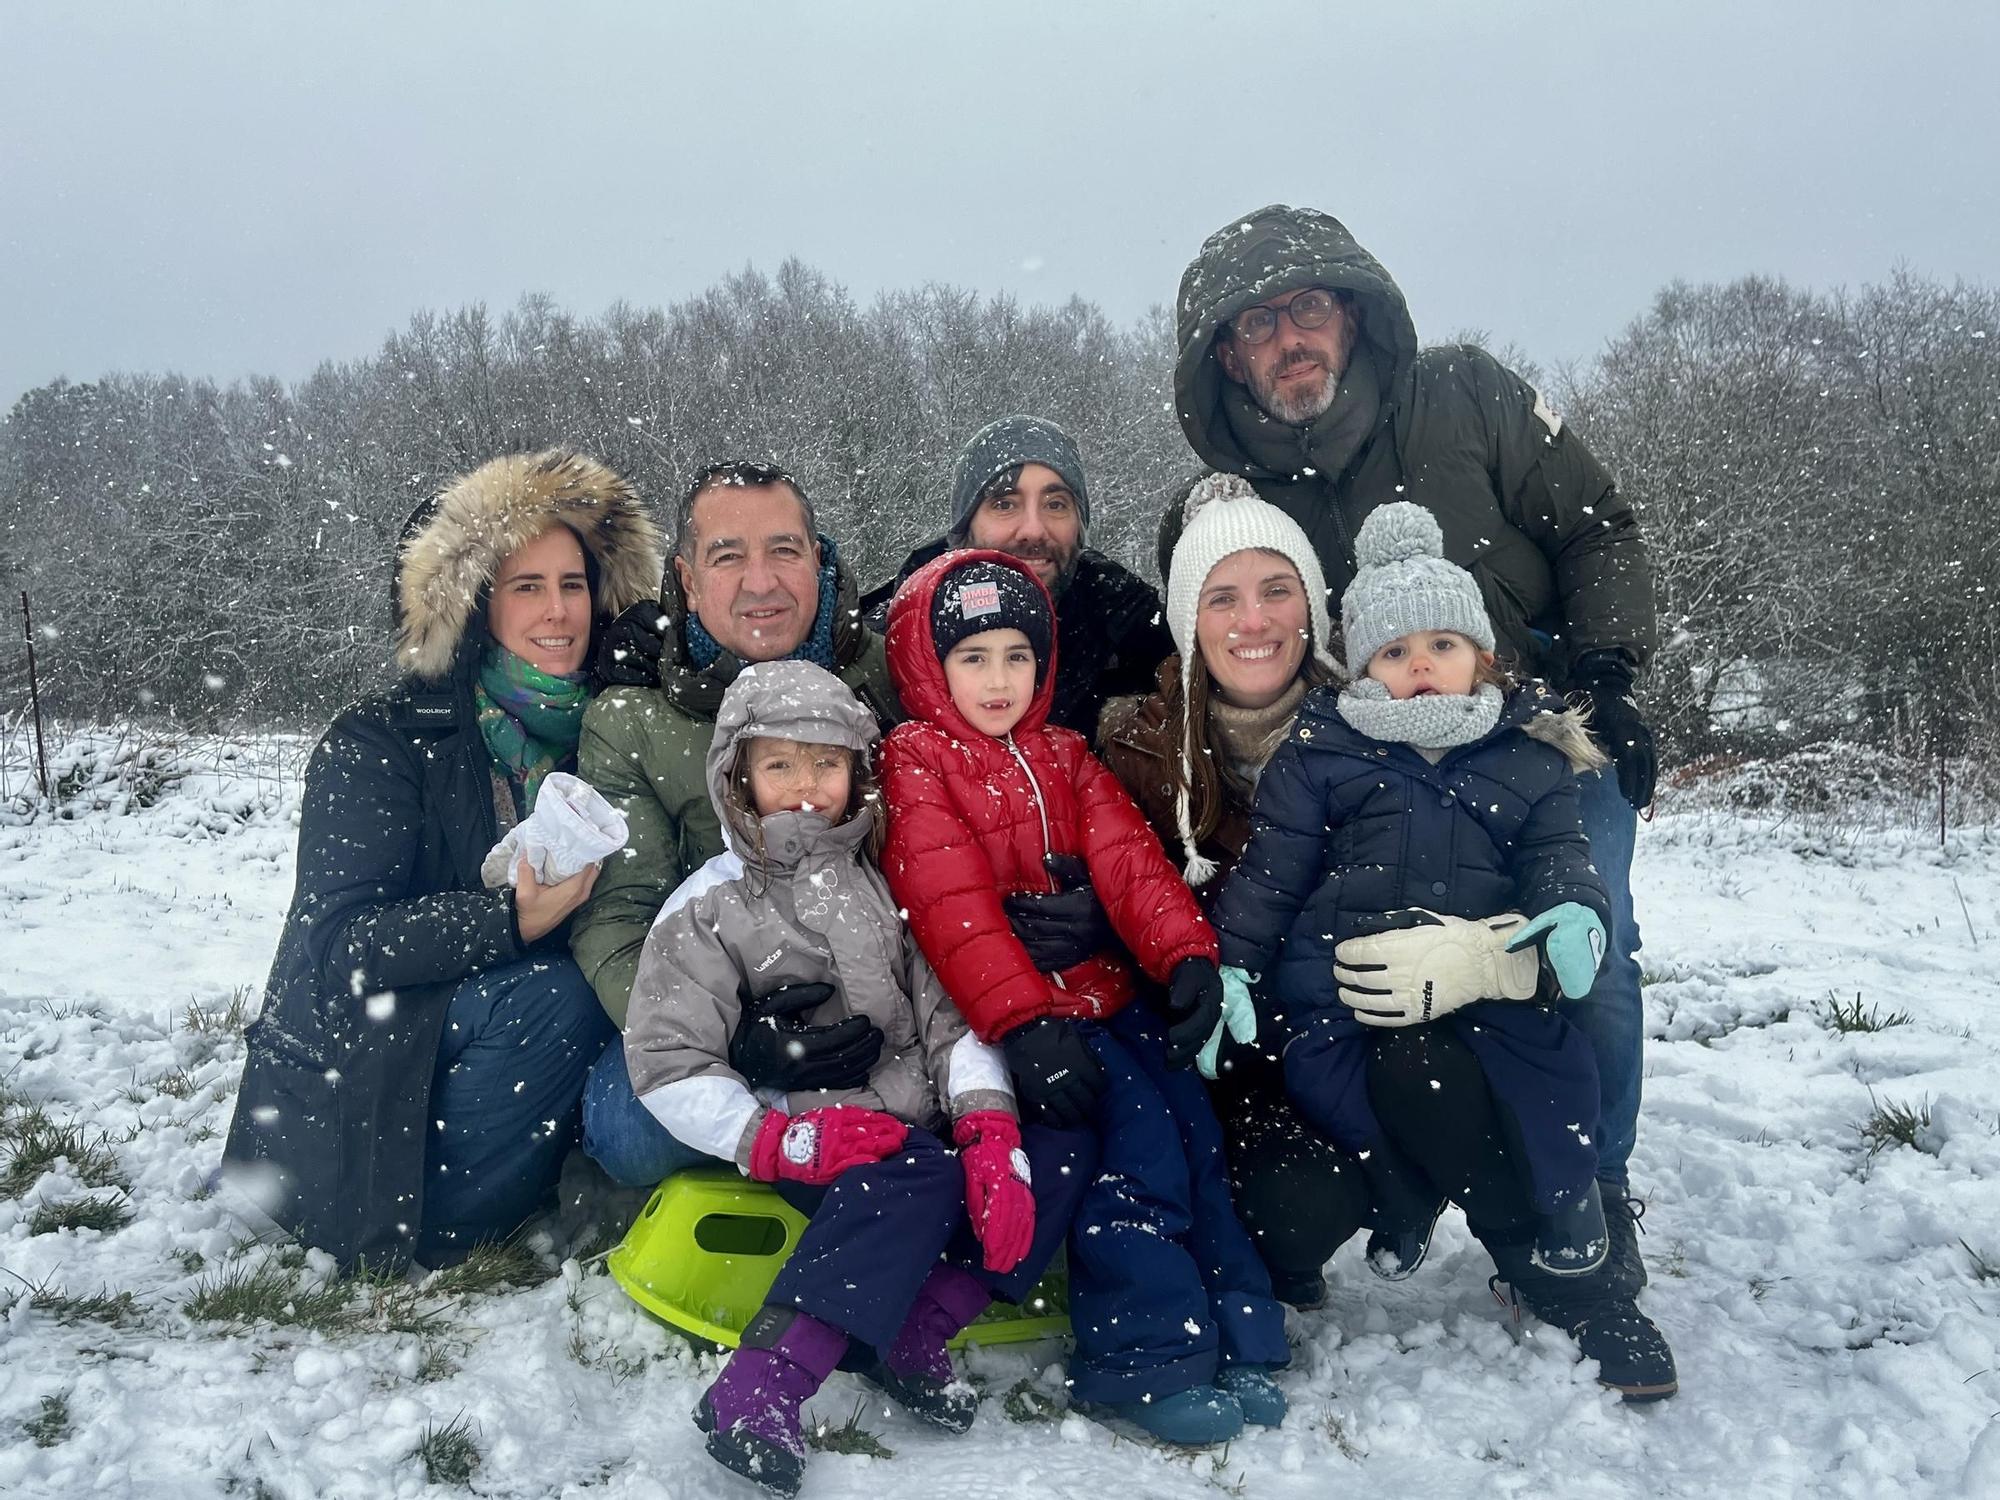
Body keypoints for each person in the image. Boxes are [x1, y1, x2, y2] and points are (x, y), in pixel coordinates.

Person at [1172, 204, 1661, 1281]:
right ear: (1226, 356)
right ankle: (1404, 1177)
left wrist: (1611, 673)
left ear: (1351, 317)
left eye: (1306, 309)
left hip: (1534, 738)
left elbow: (1596, 527)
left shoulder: (1465, 396)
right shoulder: (1238, 496)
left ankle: (1594, 1181)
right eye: (1257, 324)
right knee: (1361, 991)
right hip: (1366, 767)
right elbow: (1211, 622)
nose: (1288, 338)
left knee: (1589, 959)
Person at [1209, 502, 1677, 1401]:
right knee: (1334, 1083)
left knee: (1551, 1069)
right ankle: (1397, 1192)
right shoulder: (1325, 749)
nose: (1420, 666)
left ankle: (1574, 1223)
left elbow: (1557, 858)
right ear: (1363, 667)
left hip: (1482, 984)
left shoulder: (1527, 751)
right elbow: (1272, 874)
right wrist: (1234, 965)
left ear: (1484, 657)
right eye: (1394, 653)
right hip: (1342, 991)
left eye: (1442, 645)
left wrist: (1570, 916)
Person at [622, 660, 1089, 1497]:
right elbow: (666, 1061)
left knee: (1053, 1148)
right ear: (737, 776)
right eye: (780, 765)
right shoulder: (710, 906)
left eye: (826, 764)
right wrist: (772, 1136)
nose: (806, 787)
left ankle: (920, 1327)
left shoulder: (888, 882)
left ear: (857, 773)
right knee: (907, 1176)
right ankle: (762, 1383)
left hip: (924, 1122)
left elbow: (951, 1018)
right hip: (822, 1145)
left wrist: (987, 1124)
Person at [876, 549, 1289, 1446]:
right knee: (1138, 1155)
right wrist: (1021, 1023)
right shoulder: (917, 762)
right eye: (973, 658)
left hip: (1110, 1000)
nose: (998, 680)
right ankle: (1141, 1359)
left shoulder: (1064, 753)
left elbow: (1127, 862)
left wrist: (1185, 956)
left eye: (1017, 656)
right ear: (928, 665)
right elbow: (949, 908)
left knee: (1196, 1133)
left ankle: (1240, 1330)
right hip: (1037, 1024)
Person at [221, 450, 662, 1269]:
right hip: (361, 1111)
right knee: (564, 993)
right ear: (472, 603)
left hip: (487, 1059)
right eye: (526, 586)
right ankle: (461, 1219)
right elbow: (339, 946)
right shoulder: (380, 742)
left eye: (573, 584)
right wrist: (509, 917)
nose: (558, 612)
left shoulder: (616, 728)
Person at [570, 460, 900, 1190]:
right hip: (715, 1013)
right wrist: (735, 1040)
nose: (760, 581)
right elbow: (617, 921)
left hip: (879, 998)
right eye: (728, 557)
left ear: (820, 559)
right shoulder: (631, 721)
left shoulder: (890, 676)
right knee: (630, 1130)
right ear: (687, 581)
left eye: (784, 550)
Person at [1097, 472, 1366, 1309]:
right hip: (1208, 1045)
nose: (1253, 622)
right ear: (1188, 619)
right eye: (1222, 599)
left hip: (1336, 1035)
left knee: (1320, 1188)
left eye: (1276, 591)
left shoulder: (1375, 729)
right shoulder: (1137, 746)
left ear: (1311, 607)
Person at [862, 415, 1174, 739]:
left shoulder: (1137, 639)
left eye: (1055, 504)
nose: (1033, 530)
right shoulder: (882, 656)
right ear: (964, 529)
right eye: (1005, 503)